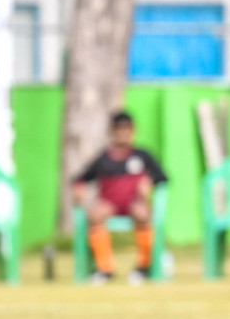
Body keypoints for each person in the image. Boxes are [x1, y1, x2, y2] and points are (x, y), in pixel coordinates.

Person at [71, 111, 167, 286]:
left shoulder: (142, 155)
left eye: (126, 129)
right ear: (112, 131)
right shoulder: (104, 158)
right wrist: (78, 187)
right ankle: (105, 268)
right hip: (111, 203)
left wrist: (149, 182)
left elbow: (163, 177)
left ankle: (144, 266)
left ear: (133, 131)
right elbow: (81, 177)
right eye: (118, 129)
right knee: (95, 215)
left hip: (134, 202)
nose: (122, 133)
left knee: (143, 214)